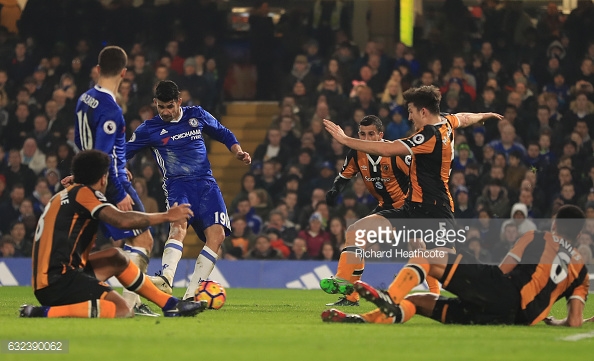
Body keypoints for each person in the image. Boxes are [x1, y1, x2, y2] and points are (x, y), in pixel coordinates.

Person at [320, 85, 503, 306]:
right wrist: (484, 115)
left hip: (435, 211)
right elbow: (463, 118)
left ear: (423, 111)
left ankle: (487, 295)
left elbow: (387, 150)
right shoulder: (446, 121)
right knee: (357, 231)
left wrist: (344, 139)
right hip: (412, 207)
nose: (409, 116)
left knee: (441, 265)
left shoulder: (429, 136)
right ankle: (346, 284)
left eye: (411, 111)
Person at [322, 205, 592, 326]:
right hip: (514, 319)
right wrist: (554, 319)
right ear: (579, 234)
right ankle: (359, 319)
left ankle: (390, 298)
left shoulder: (538, 236)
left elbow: (503, 272)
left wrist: (473, 281)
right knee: (420, 302)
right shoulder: (581, 269)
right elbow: (576, 321)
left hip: (501, 292)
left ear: (555, 224)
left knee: (428, 257)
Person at [20, 150, 206, 318]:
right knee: (123, 310)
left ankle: (170, 304)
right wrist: (166, 216)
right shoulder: (84, 194)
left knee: (116, 257)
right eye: (109, 175)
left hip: (54, 276)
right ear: (102, 179)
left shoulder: (69, 193)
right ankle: (43, 313)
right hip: (58, 281)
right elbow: (121, 220)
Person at [126, 80, 251, 301]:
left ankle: (191, 295)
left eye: (170, 106)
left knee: (218, 235)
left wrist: (237, 151)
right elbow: (124, 152)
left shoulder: (197, 115)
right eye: (161, 107)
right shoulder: (149, 129)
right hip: (178, 185)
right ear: (155, 103)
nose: (165, 111)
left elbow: (223, 133)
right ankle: (166, 279)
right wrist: (119, 168)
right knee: (178, 226)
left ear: (179, 102)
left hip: (206, 184)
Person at [72, 46, 157, 316]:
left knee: (120, 245)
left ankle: (107, 297)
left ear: (98, 69)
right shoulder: (111, 109)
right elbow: (101, 154)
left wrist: (116, 164)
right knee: (144, 240)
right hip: (108, 183)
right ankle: (130, 305)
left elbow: (80, 142)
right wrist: (118, 189)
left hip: (93, 179)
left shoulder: (85, 99)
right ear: (124, 72)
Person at [324, 114, 410, 306]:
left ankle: (343, 281)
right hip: (385, 208)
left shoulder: (394, 152)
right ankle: (350, 295)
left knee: (423, 251)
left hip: (408, 209)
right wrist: (334, 190)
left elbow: (418, 177)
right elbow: (344, 175)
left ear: (381, 135)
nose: (366, 139)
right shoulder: (356, 153)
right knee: (357, 239)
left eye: (371, 134)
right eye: (362, 134)